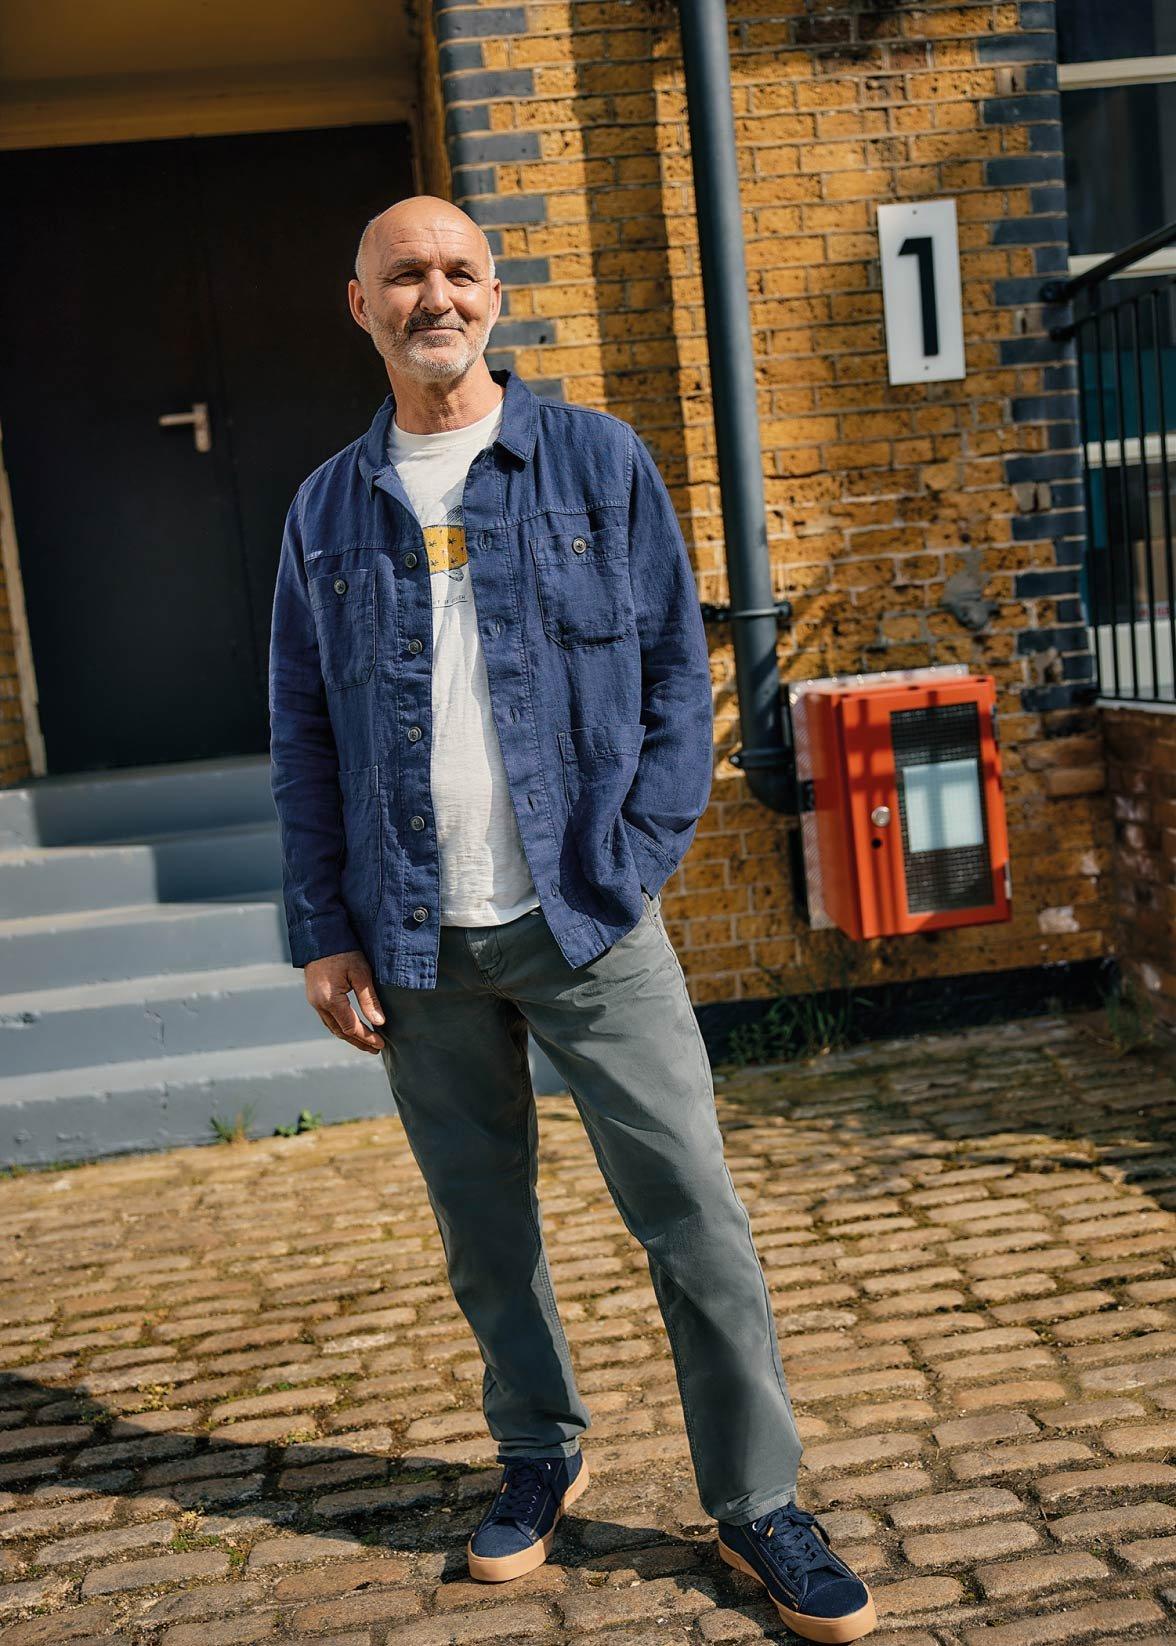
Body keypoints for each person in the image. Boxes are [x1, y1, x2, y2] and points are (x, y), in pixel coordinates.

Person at [267, 193, 877, 1644]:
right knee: (485, 1230)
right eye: (404, 274)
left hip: (587, 919)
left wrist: (635, 860)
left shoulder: (595, 461)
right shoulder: (323, 508)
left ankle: (756, 1498)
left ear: (498, 295)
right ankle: (539, 1447)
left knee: (697, 1219)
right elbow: (301, 732)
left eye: (461, 270)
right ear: (360, 305)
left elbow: (682, 675)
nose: (437, 294)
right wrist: (321, 926)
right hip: (415, 939)